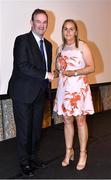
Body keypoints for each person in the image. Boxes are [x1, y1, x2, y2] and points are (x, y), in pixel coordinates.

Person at [8, 9, 53, 177]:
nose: (41, 25)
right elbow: (23, 65)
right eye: (38, 21)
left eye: (44, 22)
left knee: (35, 130)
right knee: (24, 130)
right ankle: (24, 162)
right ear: (31, 23)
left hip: (40, 94)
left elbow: (47, 70)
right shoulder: (22, 40)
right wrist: (45, 74)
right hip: (22, 93)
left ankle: (33, 157)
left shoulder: (48, 45)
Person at [53, 19, 95, 171]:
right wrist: (53, 73)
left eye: (71, 29)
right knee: (67, 120)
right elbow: (58, 70)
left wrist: (75, 72)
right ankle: (69, 151)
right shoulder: (59, 49)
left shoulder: (82, 46)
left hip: (78, 88)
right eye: (65, 29)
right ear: (62, 31)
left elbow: (92, 67)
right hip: (64, 89)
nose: (68, 32)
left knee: (81, 120)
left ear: (76, 31)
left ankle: (83, 153)